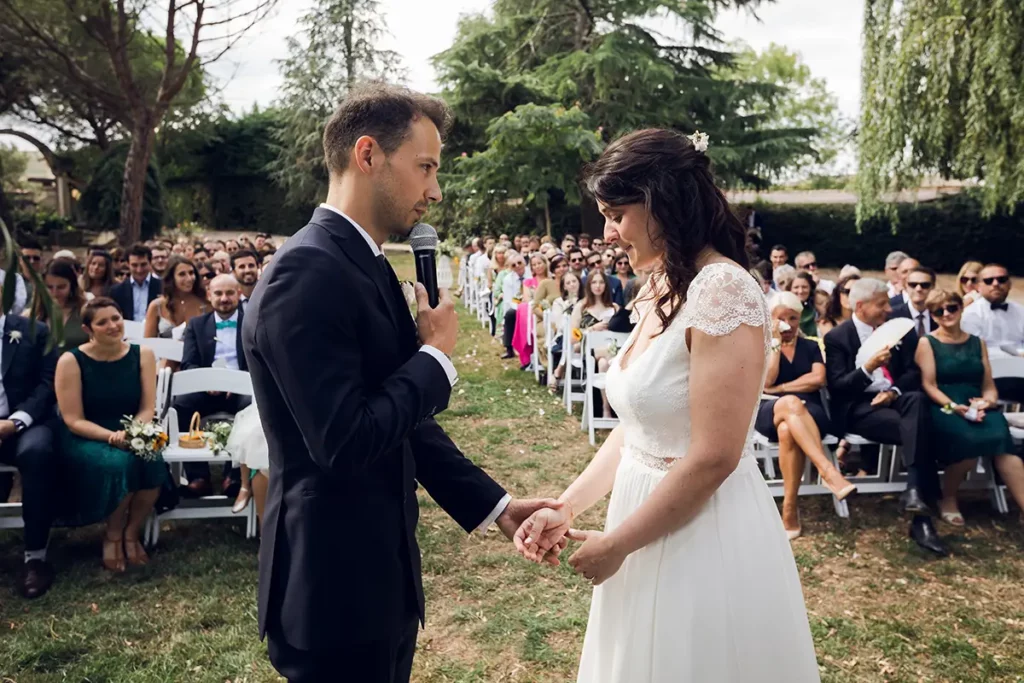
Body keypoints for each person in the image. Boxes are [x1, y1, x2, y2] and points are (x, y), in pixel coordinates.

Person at [241, 83, 561, 682]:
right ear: (368, 155)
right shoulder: (306, 274)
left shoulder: (362, 264)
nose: (435, 190)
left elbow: (401, 425)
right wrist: (435, 359)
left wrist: (496, 507)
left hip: (380, 583)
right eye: (425, 167)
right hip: (331, 591)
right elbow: (343, 440)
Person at [514, 128, 819, 682]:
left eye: (616, 214)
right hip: (639, 509)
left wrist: (618, 544)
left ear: (662, 202)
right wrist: (567, 505)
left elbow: (713, 456)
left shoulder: (722, 290)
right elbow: (638, 427)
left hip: (701, 528)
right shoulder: (660, 284)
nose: (608, 233)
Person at [824, 278, 946, 555]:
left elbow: (913, 373)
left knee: (915, 401)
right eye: (881, 305)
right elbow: (839, 388)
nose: (888, 310)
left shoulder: (899, 331)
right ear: (861, 306)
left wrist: (893, 391)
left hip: (895, 398)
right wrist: (867, 368)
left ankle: (915, 495)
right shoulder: (837, 338)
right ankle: (921, 517)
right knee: (920, 427)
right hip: (861, 408)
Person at [55, 298, 164, 571]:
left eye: (116, 318)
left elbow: (147, 407)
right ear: (88, 328)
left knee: (153, 459)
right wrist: (111, 437)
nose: (112, 326)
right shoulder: (71, 360)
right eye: (102, 322)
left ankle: (131, 532)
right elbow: (73, 419)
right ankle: (112, 536)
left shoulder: (144, 355)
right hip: (87, 433)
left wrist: (134, 434)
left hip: (132, 428)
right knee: (120, 463)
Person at [915, 289, 1024, 525]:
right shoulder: (927, 342)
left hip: (977, 405)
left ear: (960, 308)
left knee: (1002, 441)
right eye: (939, 311)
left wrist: (989, 400)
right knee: (967, 440)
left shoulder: (978, 342)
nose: (946, 314)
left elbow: (988, 384)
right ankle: (948, 498)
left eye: (951, 307)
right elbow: (929, 385)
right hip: (944, 405)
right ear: (932, 316)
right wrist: (953, 406)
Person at [758, 293, 855, 539]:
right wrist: (776, 345)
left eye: (793, 318)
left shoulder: (811, 346)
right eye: (782, 319)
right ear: (771, 319)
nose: (788, 325)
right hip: (769, 410)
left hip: (810, 412)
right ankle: (828, 471)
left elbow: (818, 379)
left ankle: (789, 511)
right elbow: (766, 381)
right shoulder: (760, 346)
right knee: (789, 405)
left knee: (787, 430)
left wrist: (780, 389)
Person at [0, 282, 58, 598]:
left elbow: (48, 384)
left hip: (23, 423)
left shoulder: (34, 331)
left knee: (38, 452)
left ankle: (35, 556)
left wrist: (14, 422)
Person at [173, 274, 247, 498]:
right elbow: (188, 363)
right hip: (206, 388)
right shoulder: (197, 324)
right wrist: (208, 382)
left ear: (239, 294)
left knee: (251, 409)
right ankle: (199, 476)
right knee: (181, 407)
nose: (224, 298)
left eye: (229, 293)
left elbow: (260, 361)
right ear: (209, 295)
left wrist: (233, 382)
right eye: (218, 293)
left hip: (242, 388)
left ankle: (233, 476)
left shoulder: (252, 321)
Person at [961, 264, 1024, 357]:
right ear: (978, 287)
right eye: (988, 281)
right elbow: (973, 349)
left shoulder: (1021, 311)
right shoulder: (970, 314)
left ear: (1009, 284)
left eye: (1001, 280)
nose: (995, 284)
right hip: (987, 365)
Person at [27, 259, 89, 350]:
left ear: (72, 286)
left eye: (61, 287)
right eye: (49, 287)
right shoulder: (31, 315)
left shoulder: (85, 311)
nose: (55, 293)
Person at [143, 255, 208, 340]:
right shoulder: (156, 306)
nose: (189, 278)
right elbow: (148, 343)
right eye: (182, 274)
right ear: (171, 278)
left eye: (191, 273)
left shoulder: (205, 304)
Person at [109, 243, 162, 322]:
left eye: (143, 265)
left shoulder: (162, 287)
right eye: (134, 265)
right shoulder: (116, 291)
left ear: (150, 263)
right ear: (127, 264)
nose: (139, 270)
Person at [891, 266, 938, 336]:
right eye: (913, 285)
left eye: (925, 285)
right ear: (905, 286)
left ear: (933, 287)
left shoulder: (941, 314)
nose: (918, 289)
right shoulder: (892, 316)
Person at [787, 271, 818, 337]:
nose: (800, 291)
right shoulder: (783, 310)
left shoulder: (816, 309)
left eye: (804, 287)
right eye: (796, 287)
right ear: (790, 289)